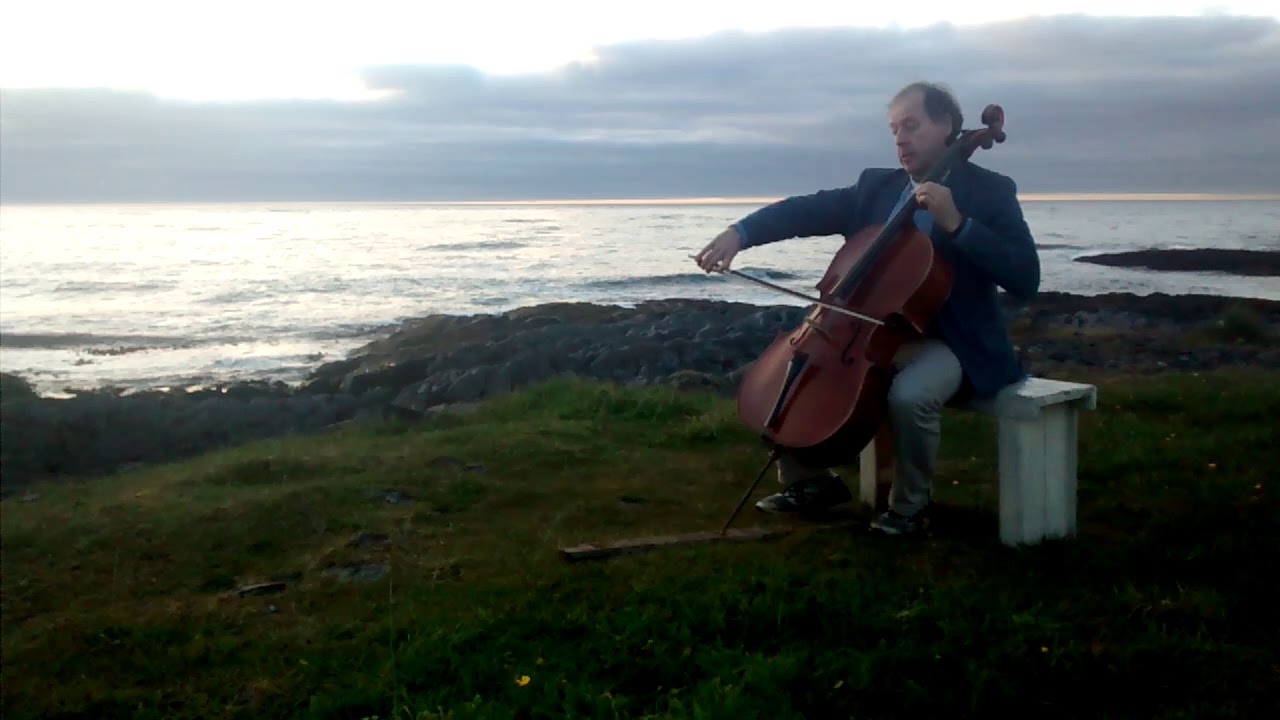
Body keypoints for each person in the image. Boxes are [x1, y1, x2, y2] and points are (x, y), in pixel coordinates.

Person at [693, 81, 1040, 536]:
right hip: (878, 332)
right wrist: (741, 233)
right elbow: (806, 210)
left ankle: (911, 507)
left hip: (952, 342)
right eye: (894, 129)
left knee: (910, 395)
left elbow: (1025, 277)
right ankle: (811, 483)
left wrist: (959, 225)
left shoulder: (989, 192)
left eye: (911, 126)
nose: (900, 139)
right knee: (796, 369)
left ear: (948, 126)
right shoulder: (877, 186)